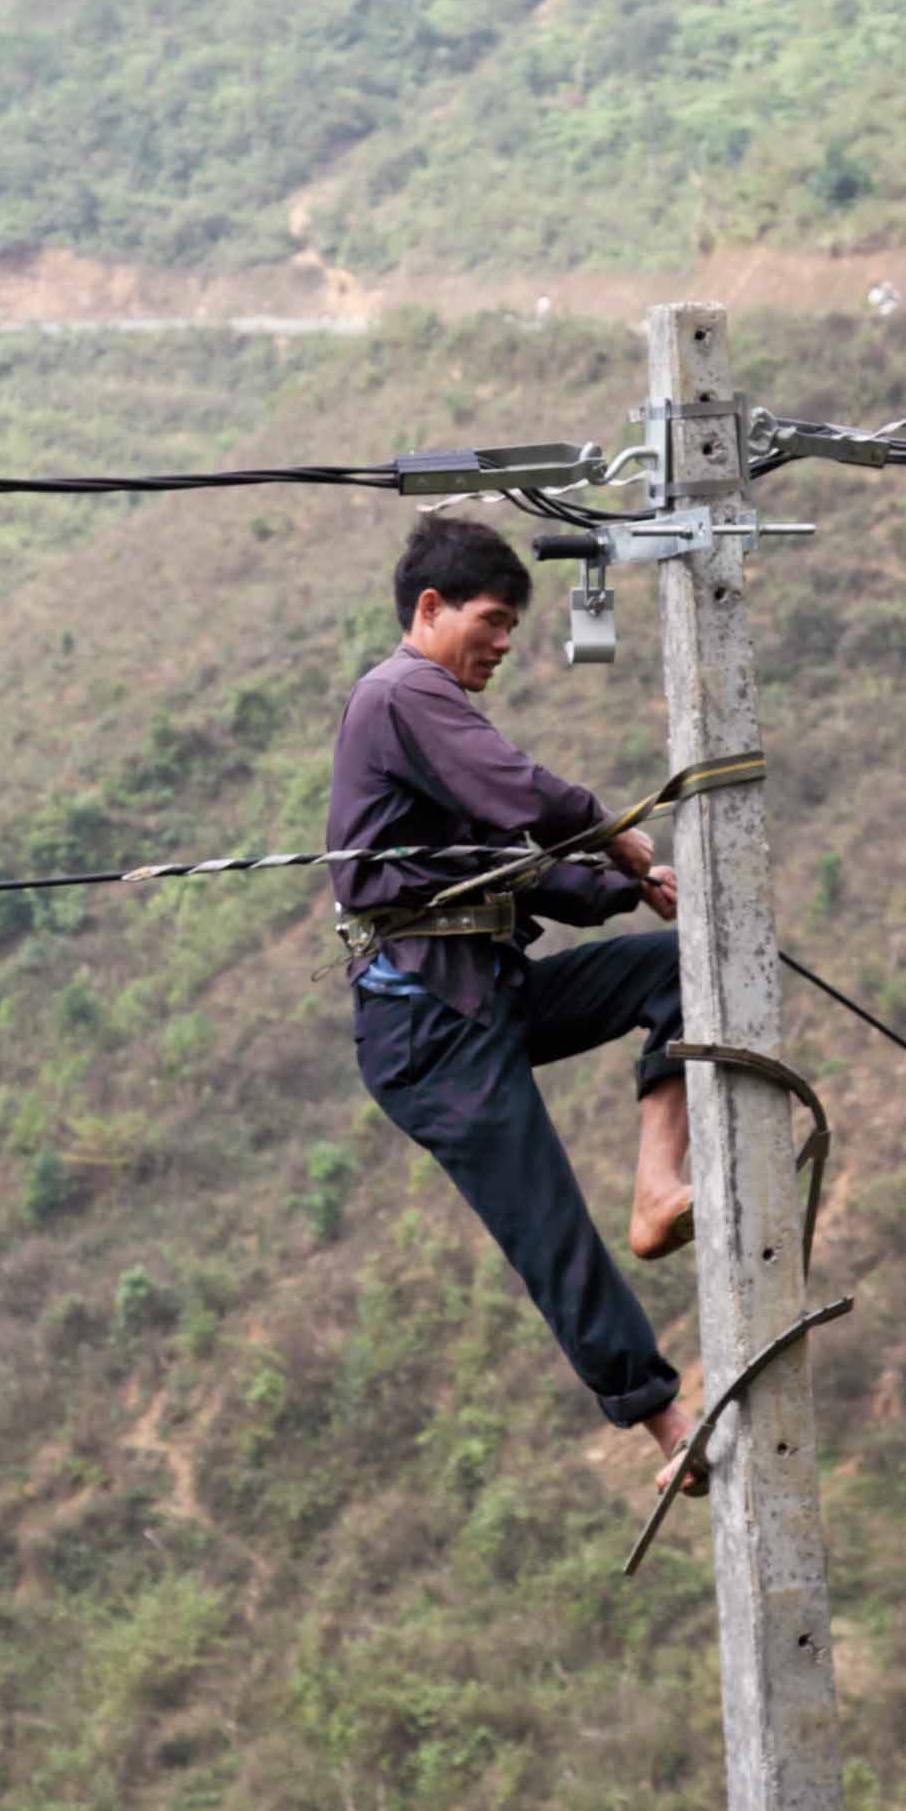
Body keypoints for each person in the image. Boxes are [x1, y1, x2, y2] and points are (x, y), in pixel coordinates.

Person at [326, 515, 705, 1496]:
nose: (502, 642)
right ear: (430, 609)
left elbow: (521, 869)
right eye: (491, 621)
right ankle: (663, 1420)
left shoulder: (428, 728)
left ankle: (659, 1188)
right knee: (544, 1217)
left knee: (677, 969)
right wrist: (614, 837)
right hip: (428, 1028)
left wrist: (631, 888)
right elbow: (522, 796)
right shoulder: (403, 692)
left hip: (485, 992)